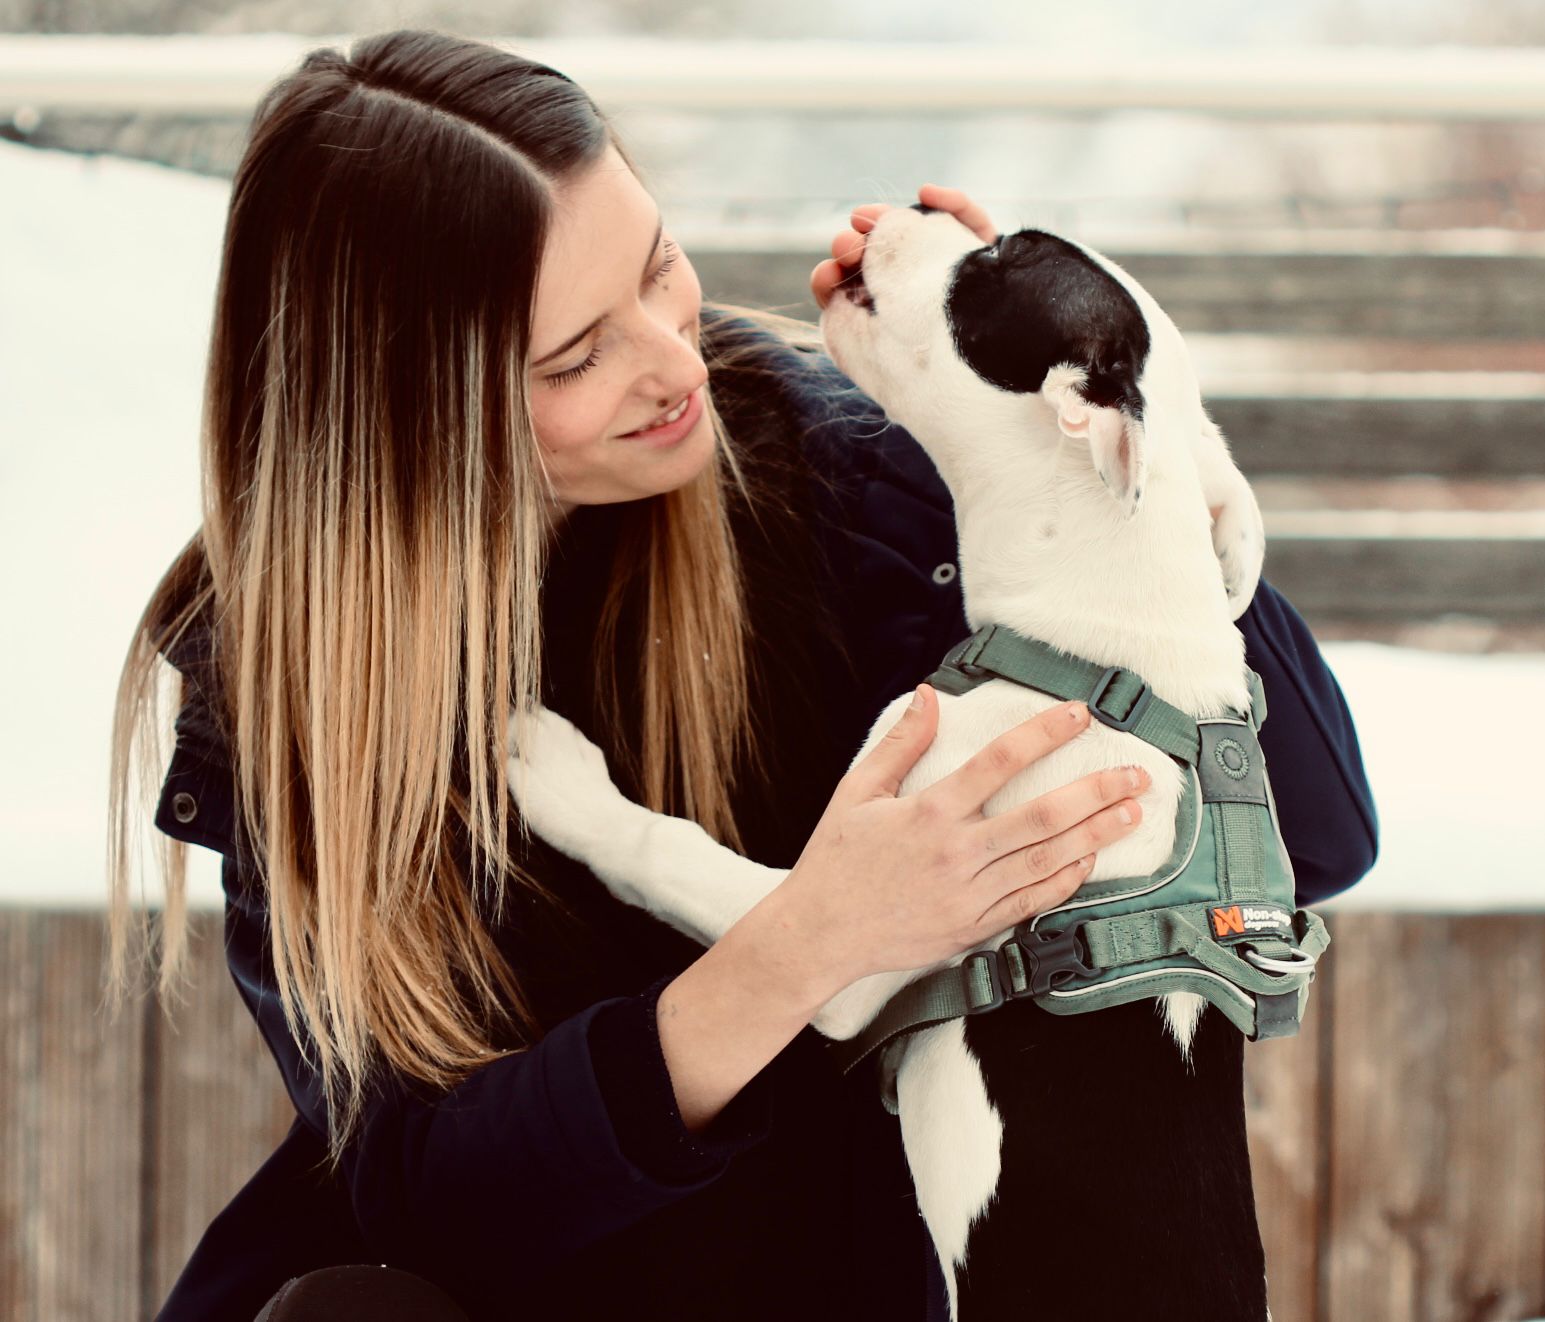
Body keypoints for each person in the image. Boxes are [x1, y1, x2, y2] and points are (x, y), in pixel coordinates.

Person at [105, 29, 1379, 1322]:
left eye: (659, 267)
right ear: (405, 408)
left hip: (856, 1265)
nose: (673, 360)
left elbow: (1312, 835)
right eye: (574, 356)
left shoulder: (840, 475)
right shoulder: (309, 676)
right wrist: (808, 944)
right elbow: (430, 1190)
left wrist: (1097, 439)